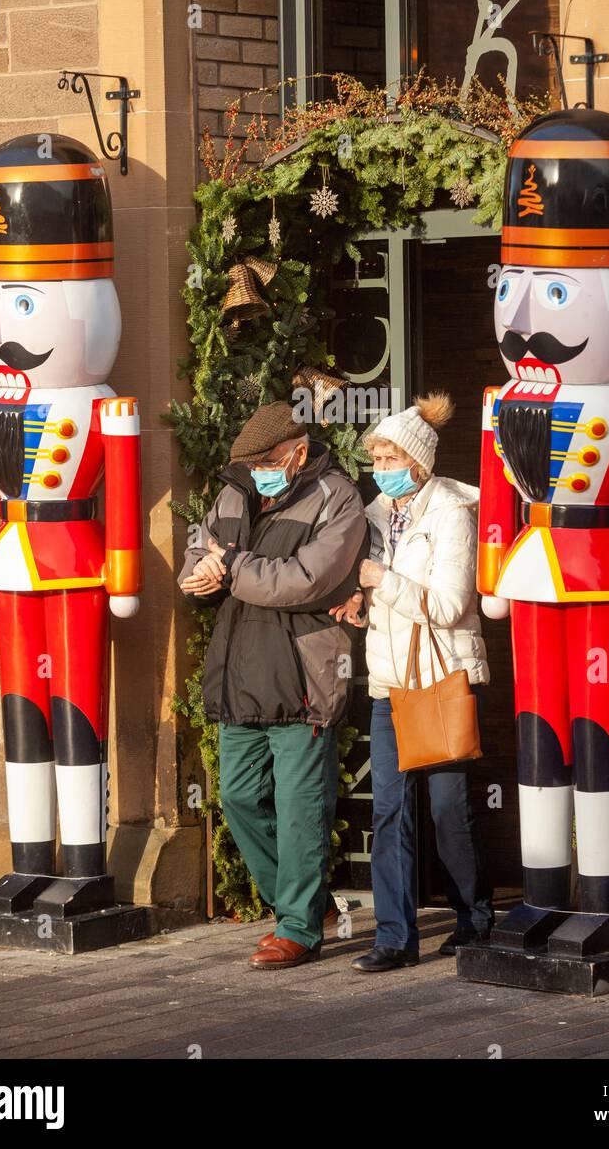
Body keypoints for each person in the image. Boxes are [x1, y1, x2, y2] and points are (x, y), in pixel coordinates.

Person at [178, 400, 368, 970]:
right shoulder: (234, 491)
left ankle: (298, 929)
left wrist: (231, 567)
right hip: (242, 672)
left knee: (299, 807)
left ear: (298, 453)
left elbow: (307, 581)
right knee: (236, 797)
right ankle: (307, 903)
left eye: (267, 460)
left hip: (306, 676)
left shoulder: (339, 497)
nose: (257, 470)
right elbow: (200, 547)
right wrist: (200, 572)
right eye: (252, 462)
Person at [336, 393, 494, 972]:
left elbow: (452, 605)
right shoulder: (377, 514)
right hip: (389, 682)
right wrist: (359, 597)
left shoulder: (451, 514)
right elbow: (378, 588)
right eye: (376, 458)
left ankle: (474, 919)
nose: (381, 470)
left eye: (390, 458)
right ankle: (394, 938)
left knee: (448, 809)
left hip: (441, 676)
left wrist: (383, 580)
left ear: (419, 464)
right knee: (389, 810)